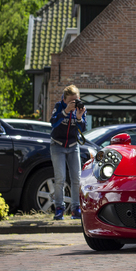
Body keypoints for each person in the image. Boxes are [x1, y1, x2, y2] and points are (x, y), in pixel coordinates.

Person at [50, 84, 87, 220]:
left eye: (76, 100)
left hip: (73, 145)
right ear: (64, 100)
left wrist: (79, 117)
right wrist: (65, 111)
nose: (74, 103)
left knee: (76, 178)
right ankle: (59, 208)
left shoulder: (81, 108)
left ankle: (75, 208)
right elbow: (53, 123)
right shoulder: (59, 106)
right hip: (57, 145)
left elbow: (82, 128)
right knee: (60, 178)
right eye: (71, 101)